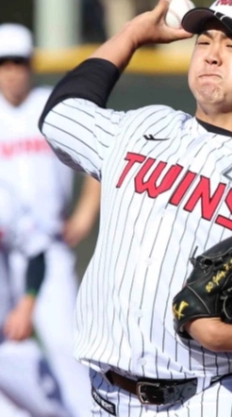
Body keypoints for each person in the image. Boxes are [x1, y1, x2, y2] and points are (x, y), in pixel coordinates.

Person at [38, 0, 232, 416]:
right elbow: (61, 115)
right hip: (106, 396)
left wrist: (226, 337)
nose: (212, 55)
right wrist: (131, 35)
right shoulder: (145, 126)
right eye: (204, 42)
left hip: (216, 395)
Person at [0, 23, 101, 417]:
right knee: (9, 353)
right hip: (4, 252)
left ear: (31, 64)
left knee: (65, 344)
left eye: (19, 62)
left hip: (48, 246)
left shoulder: (51, 106)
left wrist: (85, 214)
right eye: (4, 63)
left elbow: (96, 157)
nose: (12, 71)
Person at [0, 182, 71, 417]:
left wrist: (26, 306)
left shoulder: (3, 198)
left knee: (55, 408)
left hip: (7, 346)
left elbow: (37, 249)